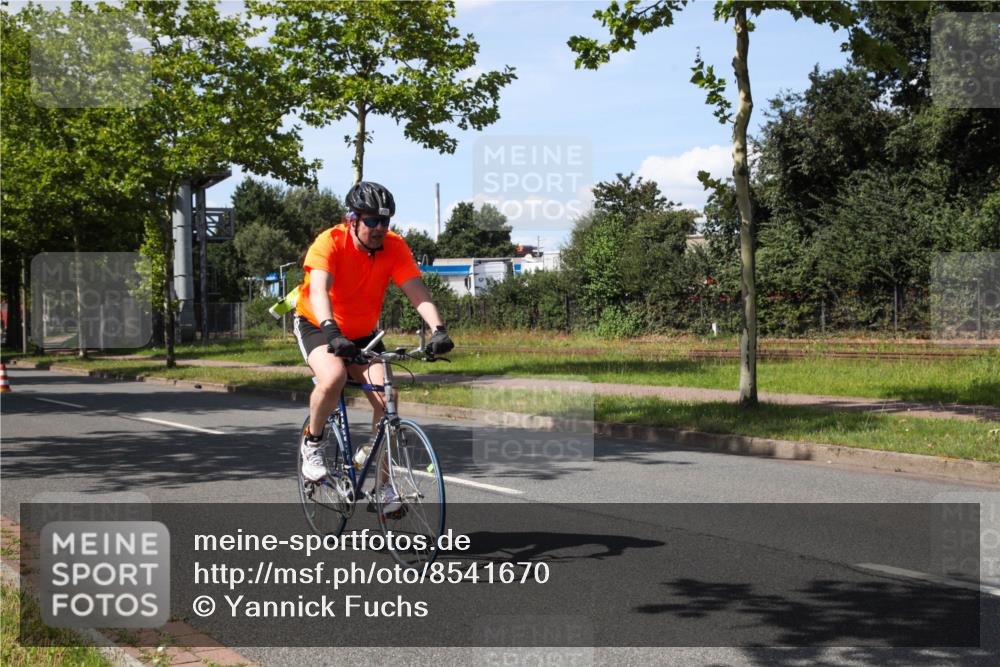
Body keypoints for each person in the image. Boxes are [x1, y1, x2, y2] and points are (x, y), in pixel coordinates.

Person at [292, 181, 453, 512]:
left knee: (388, 398)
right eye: (371, 221)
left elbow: (416, 291)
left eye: (385, 221)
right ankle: (314, 442)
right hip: (318, 324)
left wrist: (438, 329)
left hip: (363, 332)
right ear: (352, 219)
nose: (379, 228)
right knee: (334, 376)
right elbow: (319, 290)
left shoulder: (394, 247)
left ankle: (384, 490)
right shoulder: (330, 242)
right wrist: (331, 330)